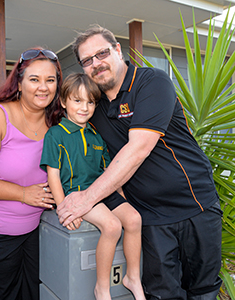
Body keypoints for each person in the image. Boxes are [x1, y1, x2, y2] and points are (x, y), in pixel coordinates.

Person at [56, 25, 223, 300]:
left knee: (202, 291)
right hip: (151, 216)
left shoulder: (152, 83)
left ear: (118, 50)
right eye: (87, 60)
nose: (96, 64)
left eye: (102, 53)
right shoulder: (92, 107)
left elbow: (138, 149)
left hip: (195, 206)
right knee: (162, 293)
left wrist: (85, 199)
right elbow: (60, 132)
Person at [0, 47, 65, 300]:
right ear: (19, 82)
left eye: (50, 80)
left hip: (36, 230)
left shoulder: (58, 121)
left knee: (35, 293)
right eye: (34, 79)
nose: (43, 87)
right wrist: (23, 194)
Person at [40, 73, 145, 300]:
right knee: (112, 226)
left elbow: (109, 174)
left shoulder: (97, 135)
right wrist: (63, 208)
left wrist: (123, 200)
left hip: (102, 192)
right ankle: (102, 289)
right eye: (77, 100)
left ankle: (133, 278)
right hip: (77, 195)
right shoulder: (56, 134)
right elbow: (53, 176)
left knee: (134, 219)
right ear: (63, 101)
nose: (85, 107)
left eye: (90, 102)